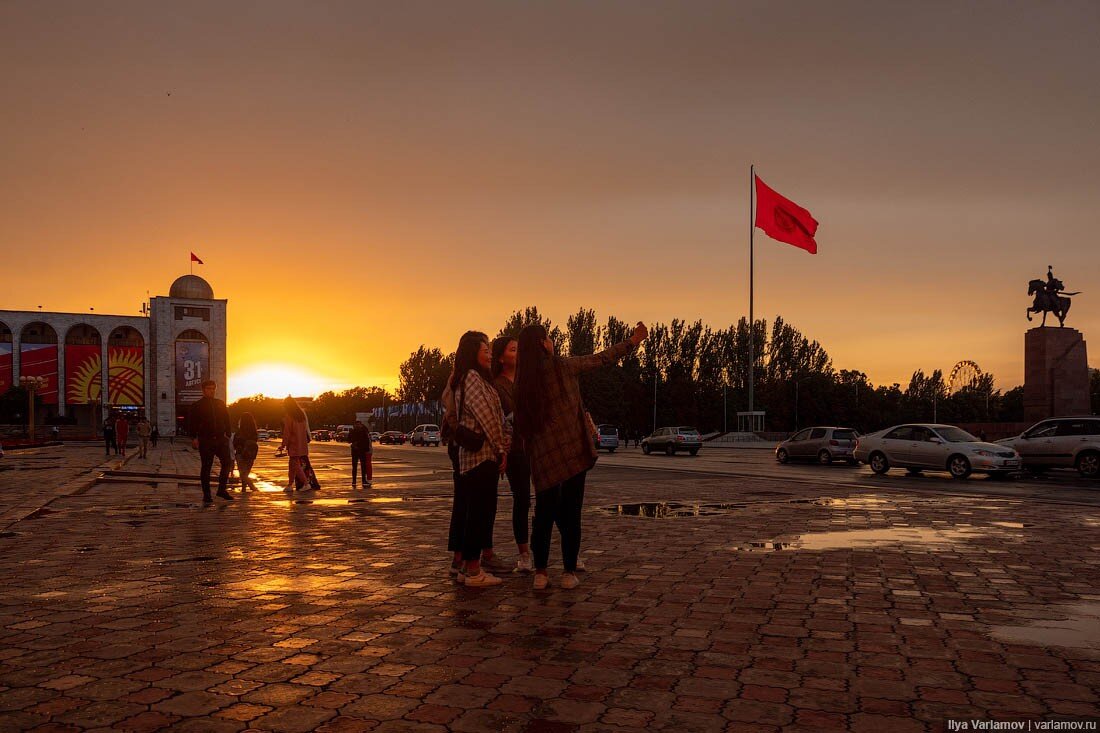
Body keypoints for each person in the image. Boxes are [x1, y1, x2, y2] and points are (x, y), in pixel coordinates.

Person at [515, 321, 648, 590]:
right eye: (549, 338)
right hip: (573, 453)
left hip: (543, 458)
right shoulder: (562, 366)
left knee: (543, 514)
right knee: (571, 512)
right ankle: (567, 572)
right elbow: (601, 359)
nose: (552, 342)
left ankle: (540, 573)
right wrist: (633, 341)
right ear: (542, 343)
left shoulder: (523, 380)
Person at [447, 331, 510, 587]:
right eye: (485, 350)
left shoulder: (471, 378)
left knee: (474, 512)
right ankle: (474, 570)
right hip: (481, 456)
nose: (489, 354)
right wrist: (500, 449)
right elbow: (487, 417)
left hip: (478, 457)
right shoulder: (473, 378)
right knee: (478, 515)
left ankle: (466, 568)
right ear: (473, 352)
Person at [491, 335, 533, 572]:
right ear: (501, 357)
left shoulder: (528, 380)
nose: (517, 353)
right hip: (515, 448)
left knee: (549, 498)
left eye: (518, 349)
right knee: (522, 499)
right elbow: (501, 419)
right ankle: (524, 553)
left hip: (536, 444)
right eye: (513, 350)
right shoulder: (497, 385)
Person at [187, 380, 234, 504]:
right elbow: (192, 423)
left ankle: (221, 490)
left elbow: (226, 418)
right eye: (209, 388)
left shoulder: (220, 403)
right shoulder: (197, 405)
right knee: (206, 467)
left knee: (227, 463)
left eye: (213, 388)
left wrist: (228, 434)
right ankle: (207, 495)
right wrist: (194, 438)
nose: (211, 391)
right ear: (203, 390)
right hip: (206, 440)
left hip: (220, 439)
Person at [278, 396, 311, 492]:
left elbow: (287, 432)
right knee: (292, 464)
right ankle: (290, 484)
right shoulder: (301, 415)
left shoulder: (289, 416)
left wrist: (283, 444)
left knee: (295, 465)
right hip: (301, 443)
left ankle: (306, 483)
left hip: (294, 444)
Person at [233, 412, 260, 492]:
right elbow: (255, 442)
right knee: (246, 472)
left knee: (242, 472)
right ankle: (244, 488)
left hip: (240, 454)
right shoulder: (254, 432)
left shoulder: (239, 432)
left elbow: (235, 443)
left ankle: (251, 487)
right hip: (251, 454)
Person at [349, 419, 373, 487]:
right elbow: (366, 442)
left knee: (358, 467)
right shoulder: (362, 432)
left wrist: (354, 443)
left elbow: (349, 440)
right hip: (359, 451)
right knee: (359, 467)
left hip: (358, 451)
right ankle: (359, 480)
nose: (358, 426)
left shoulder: (359, 431)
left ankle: (356, 481)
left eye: (358, 424)